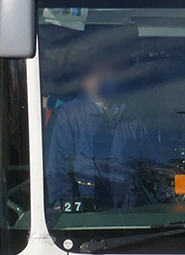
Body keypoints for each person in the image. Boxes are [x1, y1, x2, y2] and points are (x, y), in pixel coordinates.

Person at [45, 55, 158, 210]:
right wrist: (64, 207)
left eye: (107, 73)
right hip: (88, 218)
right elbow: (56, 171)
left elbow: (149, 168)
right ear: (83, 80)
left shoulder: (132, 119)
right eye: (96, 74)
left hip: (128, 216)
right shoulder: (67, 115)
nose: (102, 80)